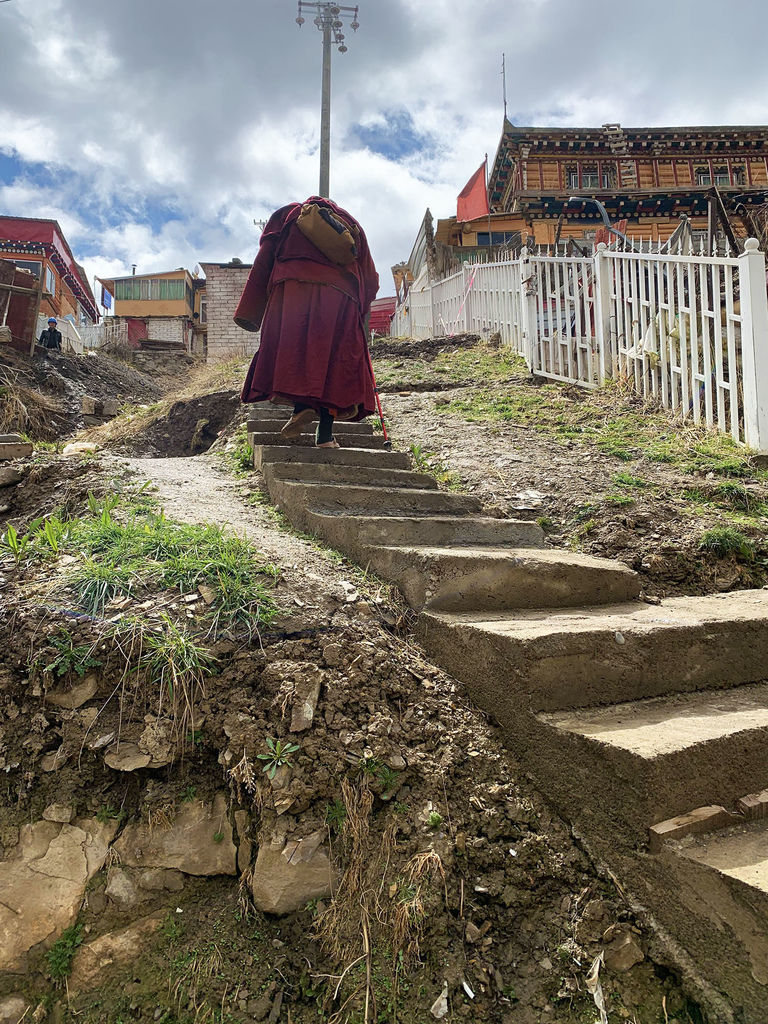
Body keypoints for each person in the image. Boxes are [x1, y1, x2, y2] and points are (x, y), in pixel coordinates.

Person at [234, 196, 379, 448]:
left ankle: (301, 408)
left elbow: (263, 262)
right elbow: (370, 276)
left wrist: (250, 310)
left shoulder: (287, 216)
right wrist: (360, 309)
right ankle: (324, 435)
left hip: (292, 291)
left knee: (296, 351)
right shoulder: (350, 223)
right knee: (333, 359)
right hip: (341, 296)